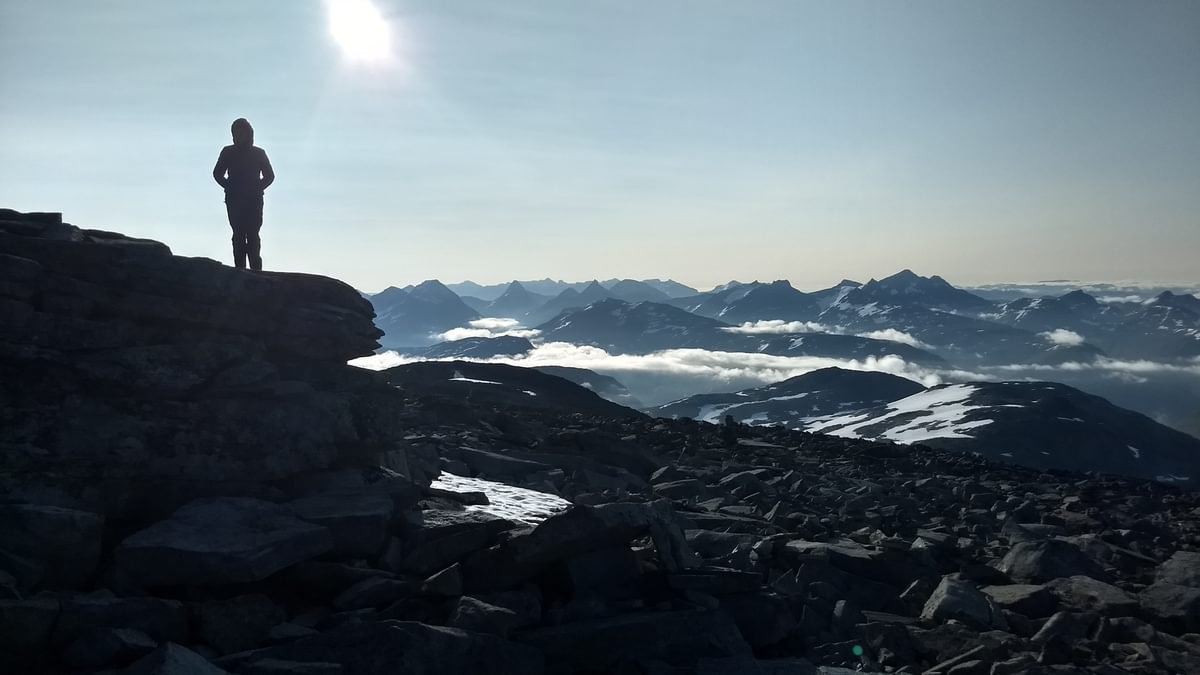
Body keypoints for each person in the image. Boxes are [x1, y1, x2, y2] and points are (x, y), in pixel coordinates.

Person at [212, 118, 274, 270]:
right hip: (234, 199)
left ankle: (255, 270)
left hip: (254, 199)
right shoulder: (228, 152)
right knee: (238, 233)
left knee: (253, 234)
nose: (240, 135)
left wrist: (257, 188)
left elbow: (270, 176)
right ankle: (240, 269)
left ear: (249, 134)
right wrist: (230, 187)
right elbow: (217, 173)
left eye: (243, 132)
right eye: (237, 132)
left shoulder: (259, 153)